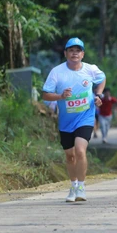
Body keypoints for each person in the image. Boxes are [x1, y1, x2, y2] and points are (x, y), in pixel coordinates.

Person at [42, 37, 106, 202]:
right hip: (66, 121)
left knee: (80, 150)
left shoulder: (91, 70)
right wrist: (60, 96)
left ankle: (81, 187)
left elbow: (102, 79)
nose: (74, 53)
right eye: (71, 50)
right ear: (65, 53)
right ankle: (73, 185)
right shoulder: (57, 72)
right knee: (70, 156)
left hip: (85, 117)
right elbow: (45, 94)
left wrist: (98, 95)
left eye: (78, 51)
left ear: (82, 54)